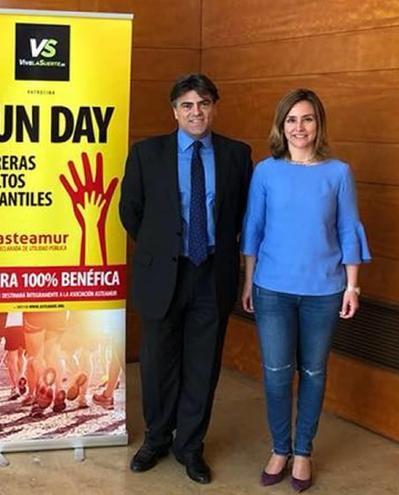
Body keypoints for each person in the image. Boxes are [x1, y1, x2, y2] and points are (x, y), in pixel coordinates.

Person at [119, 73, 253, 484]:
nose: (197, 112)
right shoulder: (147, 153)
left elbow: (244, 215)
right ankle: (156, 438)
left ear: (214, 107)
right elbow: (131, 210)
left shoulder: (236, 155)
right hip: (163, 273)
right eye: (187, 105)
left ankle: (190, 446)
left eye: (204, 103)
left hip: (212, 272)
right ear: (174, 111)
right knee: (158, 362)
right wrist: (161, 248)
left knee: (203, 364)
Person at [241, 88, 370, 492]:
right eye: (292, 119)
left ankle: (302, 452)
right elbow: (252, 229)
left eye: (308, 118)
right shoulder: (265, 171)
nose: (299, 127)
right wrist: (248, 280)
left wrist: (353, 286)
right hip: (272, 290)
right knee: (277, 375)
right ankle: (279, 448)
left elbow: (349, 229)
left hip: (325, 292)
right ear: (282, 125)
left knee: (313, 373)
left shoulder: (338, 173)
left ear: (319, 124)